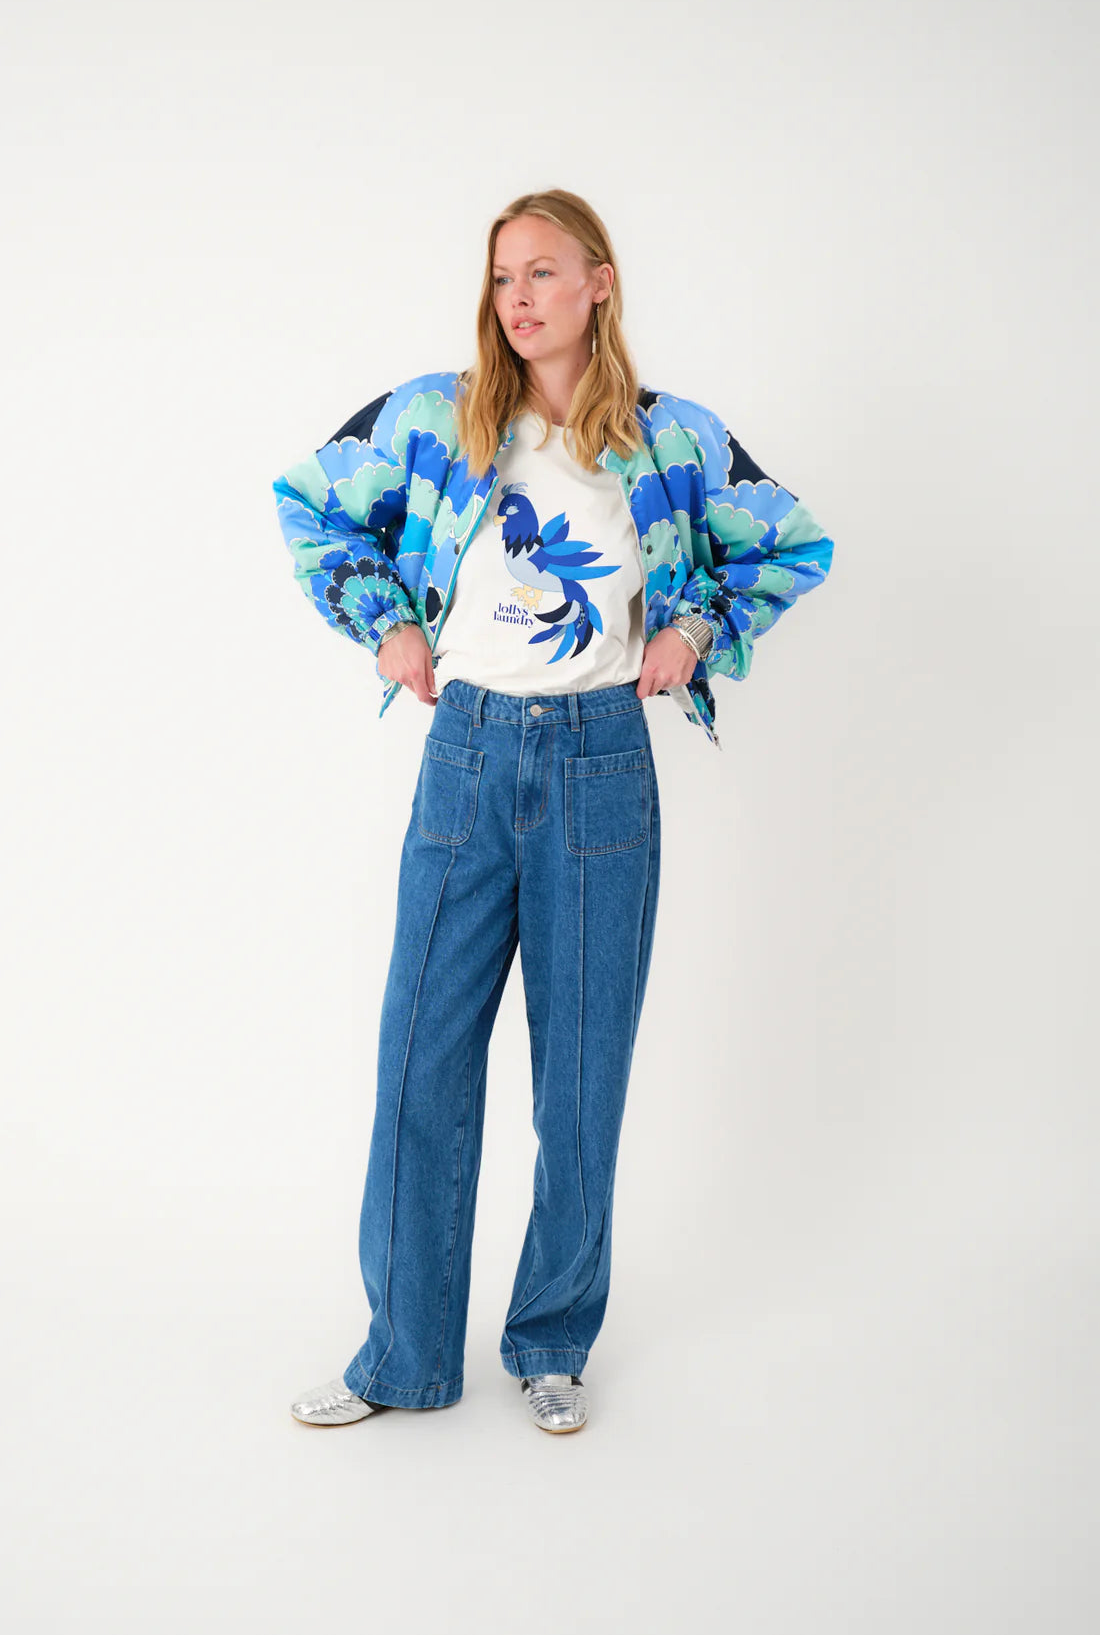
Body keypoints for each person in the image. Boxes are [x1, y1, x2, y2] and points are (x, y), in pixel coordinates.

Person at [272, 188, 834, 1435]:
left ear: (597, 282)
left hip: (598, 767)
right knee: (418, 1061)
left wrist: (694, 628)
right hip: (465, 756)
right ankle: (402, 1356)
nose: (516, 297)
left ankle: (551, 1339)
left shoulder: (669, 438)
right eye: (500, 276)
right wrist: (387, 621)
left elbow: (789, 541)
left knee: (579, 1076)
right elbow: (309, 500)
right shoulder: (437, 417)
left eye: (540, 271)